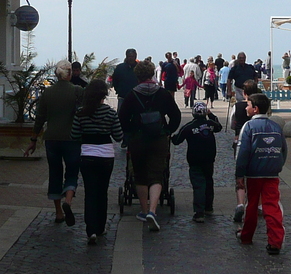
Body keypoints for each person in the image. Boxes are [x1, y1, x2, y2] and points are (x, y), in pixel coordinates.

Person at [118, 60, 181, 231]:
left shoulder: (132, 95)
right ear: (152, 73)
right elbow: (175, 115)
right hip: (158, 137)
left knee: (139, 173)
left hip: (138, 138)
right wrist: (167, 130)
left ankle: (144, 211)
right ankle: (153, 210)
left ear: (137, 75)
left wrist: (130, 132)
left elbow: (122, 118)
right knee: (156, 173)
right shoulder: (162, 93)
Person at [28, 61, 84, 225]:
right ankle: (68, 200)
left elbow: (40, 118)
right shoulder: (77, 91)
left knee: (55, 172)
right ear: (70, 73)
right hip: (72, 138)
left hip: (51, 139)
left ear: (56, 74)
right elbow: (82, 113)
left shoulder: (48, 93)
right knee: (72, 171)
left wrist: (33, 139)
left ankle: (59, 212)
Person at [70, 79, 124, 245]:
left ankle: (91, 229)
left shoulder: (81, 113)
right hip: (106, 156)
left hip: (87, 155)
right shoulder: (110, 113)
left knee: (90, 192)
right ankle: (101, 226)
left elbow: (74, 135)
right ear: (104, 95)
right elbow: (118, 136)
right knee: (102, 192)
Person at [235, 93, 287, 255]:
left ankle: (246, 235)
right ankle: (275, 241)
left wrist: (239, 174)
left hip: (254, 173)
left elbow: (242, 152)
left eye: (248, 105)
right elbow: (283, 150)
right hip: (272, 173)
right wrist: (277, 166)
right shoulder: (276, 127)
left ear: (255, 109)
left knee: (251, 206)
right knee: (271, 206)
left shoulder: (249, 127)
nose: (246, 107)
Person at [172, 102, 223, 222]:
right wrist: (211, 115)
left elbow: (177, 140)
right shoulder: (210, 124)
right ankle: (209, 207)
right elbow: (219, 126)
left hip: (194, 159)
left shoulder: (189, 127)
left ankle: (199, 212)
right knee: (209, 181)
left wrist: (171, 136)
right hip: (209, 158)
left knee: (198, 184)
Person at [228, 79, 262, 223]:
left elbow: (231, 123)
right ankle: (258, 204)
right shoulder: (259, 105)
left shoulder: (238, 106)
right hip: (257, 142)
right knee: (256, 174)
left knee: (240, 173)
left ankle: (240, 203)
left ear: (244, 93)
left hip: (240, 140)